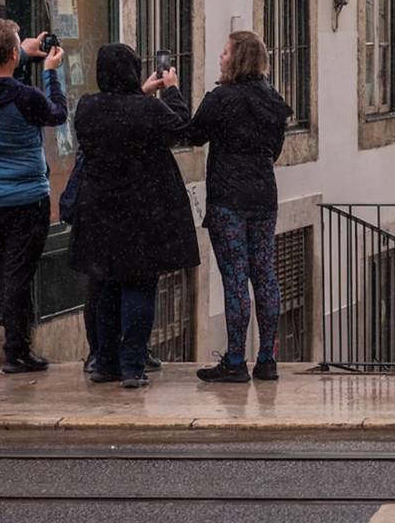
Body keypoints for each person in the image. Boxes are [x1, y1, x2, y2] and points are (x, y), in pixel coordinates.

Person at [68, 44, 198, 388]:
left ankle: (105, 363)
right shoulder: (147, 110)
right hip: (142, 212)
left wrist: (141, 94)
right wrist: (170, 89)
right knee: (139, 286)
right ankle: (132, 365)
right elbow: (181, 126)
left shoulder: (87, 108)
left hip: (98, 212)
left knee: (107, 287)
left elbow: (118, 112)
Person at [190, 32, 291, 383]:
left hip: (229, 199)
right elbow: (274, 149)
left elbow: (193, 134)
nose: (220, 57)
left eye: (224, 51)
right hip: (264, 195)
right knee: (264, 273)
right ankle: (266, 359)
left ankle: (235, 360)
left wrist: (171, 94)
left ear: (237, 59)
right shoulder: (273, 100)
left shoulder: (222, 98)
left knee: (235, 277)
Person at [0, 22, 66, 374]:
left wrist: (20, 51)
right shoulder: (27, 97)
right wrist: (52, 72)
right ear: (12, 54)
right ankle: (16, 352)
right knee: (17, 277)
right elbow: (58, 113)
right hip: (27, 199)